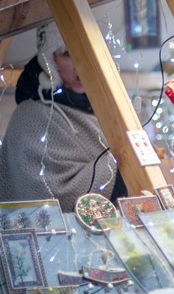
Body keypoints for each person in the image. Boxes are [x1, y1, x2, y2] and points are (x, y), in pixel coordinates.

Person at [0, 25, 126, 212]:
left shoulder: (103, 113)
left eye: (85, 53)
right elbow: (50, 198)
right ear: (50, 61)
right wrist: (120, 162)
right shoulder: (31, 117)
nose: (80, 62)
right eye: (67, 54)